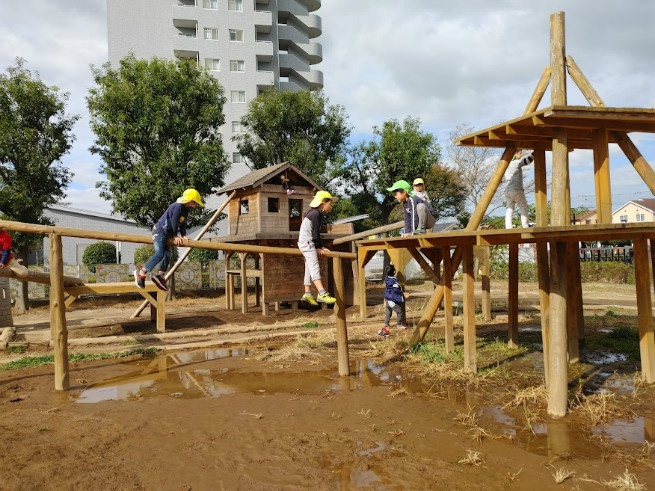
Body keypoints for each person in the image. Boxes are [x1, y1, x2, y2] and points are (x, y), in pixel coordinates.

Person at [135, 188, 204, 291]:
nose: (196, 205)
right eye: (195, 203)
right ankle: (141, 273)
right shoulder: (178, 206)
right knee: (160, 254)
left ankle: (160, 276)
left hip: (167, 234)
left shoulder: (185, 209)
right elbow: (174, 221)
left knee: (167, 255)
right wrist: (175, 236)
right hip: (159, 231)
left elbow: (182, 223)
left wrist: (184, 234)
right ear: (190, 201)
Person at [298, 190, 338, 306]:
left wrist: (320, 246)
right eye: (329, 204)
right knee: (315, 267)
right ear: (322, 203)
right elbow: (315, 234)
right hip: (308, 243)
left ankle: (307, 293)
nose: (330, 207)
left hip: (304, 242)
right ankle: (321, 293)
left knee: (309, 267)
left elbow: (315, 234)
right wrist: (318, 247)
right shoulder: (316, 214)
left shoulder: (311, 213)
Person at [505, 149, 534, 229]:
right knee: (523, 206)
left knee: (509, 208)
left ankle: (508, 226)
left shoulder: (506, 164)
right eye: (520, 153)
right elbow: (527, 161)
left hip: (507, 190)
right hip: (517, 189)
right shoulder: (516, 163)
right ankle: (525, 225)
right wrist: (534, 154)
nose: (521, 155)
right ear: (515, 154)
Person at [378, 264, 410, 337]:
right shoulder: (394, 282)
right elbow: (396, 290)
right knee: (399, 311)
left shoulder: (387, 278)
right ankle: (399, 325)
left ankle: (386, 324)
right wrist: (403, 293)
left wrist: (391, 264)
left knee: (388, 312)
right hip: (392, 301)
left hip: (387, 299)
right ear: (394, 272)